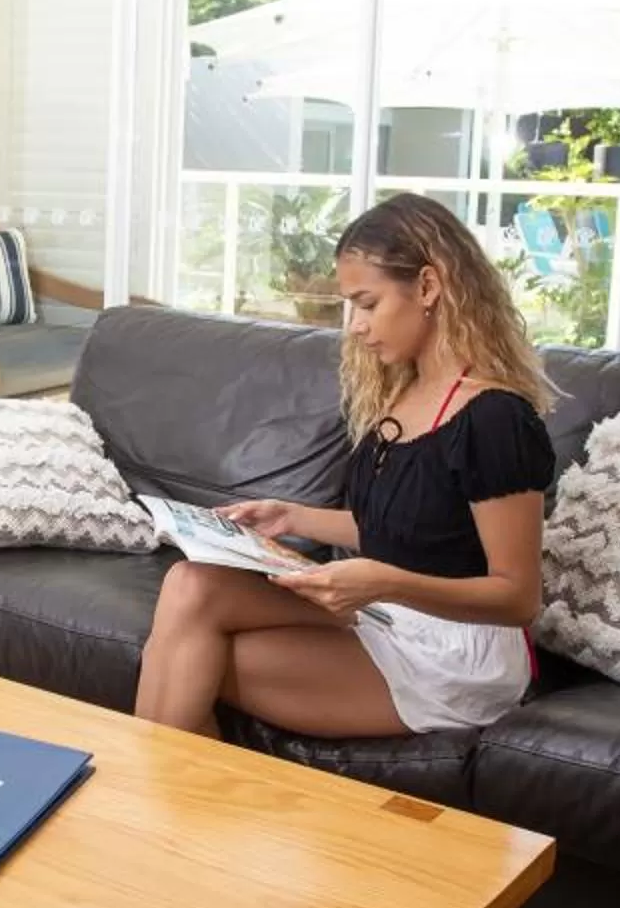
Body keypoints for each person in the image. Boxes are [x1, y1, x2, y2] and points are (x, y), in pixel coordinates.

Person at [133, 192, 558, 739]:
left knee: (190, 658)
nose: (354, 325)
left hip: (457, 651)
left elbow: (517, 597)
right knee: (191, 585)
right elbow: (414, 530)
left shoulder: (496, 418)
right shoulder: (405, 392)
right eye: (349, 306)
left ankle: (149, 808)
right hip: (391, 615)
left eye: (367, 303)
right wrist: (293, 518)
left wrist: (383, 582)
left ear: (428, 287)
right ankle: (167, 810)